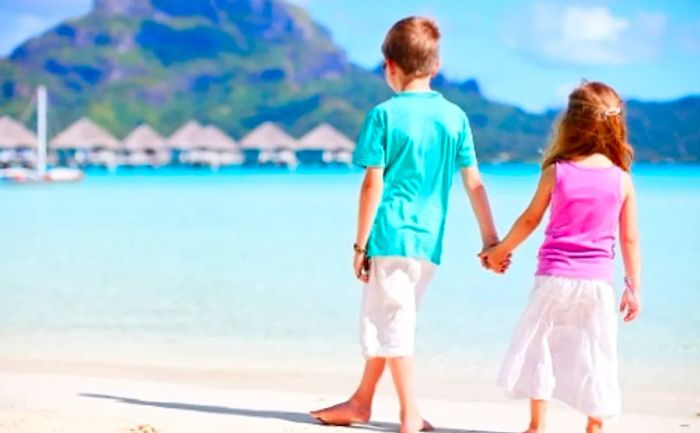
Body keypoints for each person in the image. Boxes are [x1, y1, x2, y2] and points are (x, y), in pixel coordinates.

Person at [310, 16, 500, 433]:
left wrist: (360, 246)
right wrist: (491, 240)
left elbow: (371, 185)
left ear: (389, 67)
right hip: (430, 243)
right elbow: (474, 183)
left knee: (392, 323)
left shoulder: (383, 115)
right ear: (435, 66)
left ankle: (409, 414)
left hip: (391, 235)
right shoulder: (455, 117)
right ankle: (361, 402)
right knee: (391, 319)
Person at [481, 81, 642, 433]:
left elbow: (530, 218)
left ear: (572, 122)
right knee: (597, 351)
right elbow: (629, 239)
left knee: (541, 343)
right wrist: (633, 287)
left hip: (554, 277)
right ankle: (594, 425)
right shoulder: (621, 180)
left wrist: (499, 251)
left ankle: (537, 425)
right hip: (597, 282)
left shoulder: (557, 171)